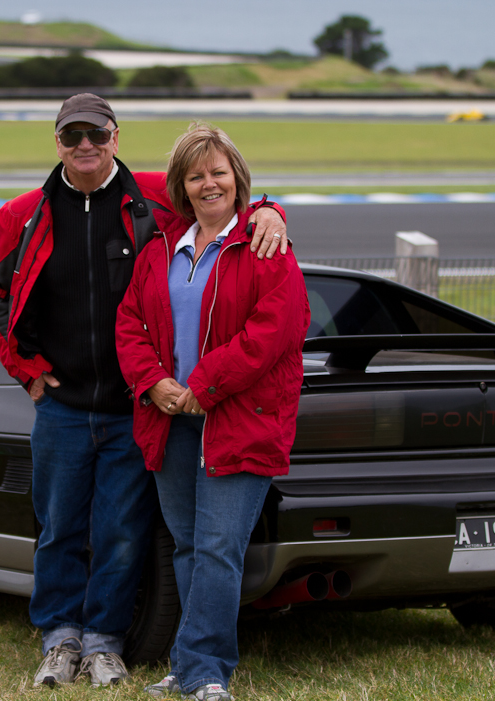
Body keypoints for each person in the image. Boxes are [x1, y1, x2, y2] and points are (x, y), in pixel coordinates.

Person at [0, 95, 289, 689]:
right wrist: (25, 369)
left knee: (122, 534)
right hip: (63, 408)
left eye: (95, 134)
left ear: (115, 137)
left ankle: (102, 643)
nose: (85, 146)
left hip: (134, 409)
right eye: (72, 136)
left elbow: (222, 198)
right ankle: (58, 640)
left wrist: (272, 209)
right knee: (58, 530)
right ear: (58, 143)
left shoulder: (151, 197)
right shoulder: (21, 213)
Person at [115, 123, 309, 701]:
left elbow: (273, 332)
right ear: (181, 185)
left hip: (238, 419)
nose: (208, 184)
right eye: (196, 176)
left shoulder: (266, 246)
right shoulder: (160, 250)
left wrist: (203, 385)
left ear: (238, 179)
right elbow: (130, 325)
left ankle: (206, 673)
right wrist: (153, 383)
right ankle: (188, 663)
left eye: (218, 173)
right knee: (188, 546)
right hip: (171, 421)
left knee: (220, 548)